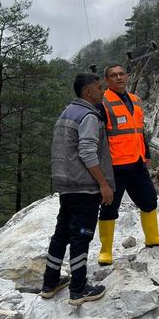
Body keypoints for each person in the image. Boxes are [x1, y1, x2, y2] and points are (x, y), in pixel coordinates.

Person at [40, 73, 115, 305]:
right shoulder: (89, 116)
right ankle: (79, 288)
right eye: (99, 88)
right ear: (88, 92)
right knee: (81, 236)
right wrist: (103, 184)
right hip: (84, 186)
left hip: (66, 184)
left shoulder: (67, 113)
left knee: (61, 233)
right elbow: (87, 152)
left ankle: (50, 283)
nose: (103, 91)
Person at [97, 63, 159, 266]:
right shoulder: (102, 103)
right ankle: (105, 251)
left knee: (149, 200)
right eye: (113, 75)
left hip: (137, 162)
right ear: (107, 80)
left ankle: (152, 237)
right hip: (115, 165)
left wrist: (146, 151)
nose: (119, 78)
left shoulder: (135, 101)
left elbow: (138, 130)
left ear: (127, 77)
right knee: (109, 207)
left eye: (122, 74)